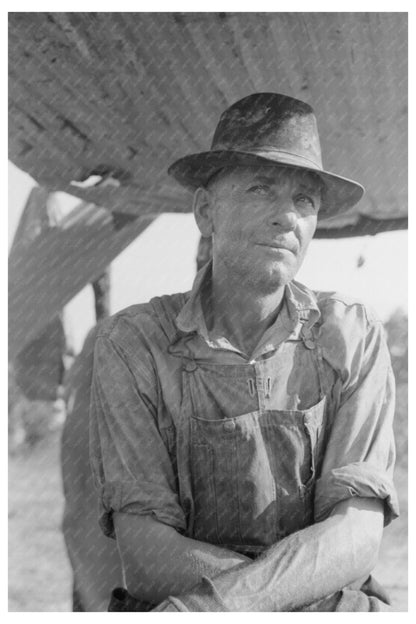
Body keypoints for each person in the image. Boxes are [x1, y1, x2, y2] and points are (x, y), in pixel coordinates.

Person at [89, 93, 399, 611]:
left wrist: (224, 608)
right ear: (206, 212)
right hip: (229, 602)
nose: (287, 217)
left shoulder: (351, 335)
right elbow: (144, 555)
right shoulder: (135, 345)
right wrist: (289, 595)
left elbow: (357, 535)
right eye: (261, 188)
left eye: (305, 200)